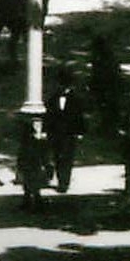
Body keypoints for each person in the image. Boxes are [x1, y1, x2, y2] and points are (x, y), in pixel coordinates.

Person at [46, 65, 86, 194]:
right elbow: (49, 116)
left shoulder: (76, 100)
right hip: (56, 133)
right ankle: (60, 180)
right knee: (58, 157)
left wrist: (80, 132)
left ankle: (65, 182)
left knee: (67, 158)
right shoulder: (52, 99)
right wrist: (47, 131)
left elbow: (80, 117)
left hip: (70, 134)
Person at [17, 117, 50, 212]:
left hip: (34, 163)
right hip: (31, 163)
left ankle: (33, 200)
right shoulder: (32, 139)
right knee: (30, 182)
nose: (37, 126)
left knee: (32, 182)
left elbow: (45, 152)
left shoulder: (41, 139)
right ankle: (31, 200)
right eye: (35, 125)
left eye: (39, 124)